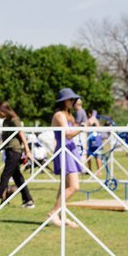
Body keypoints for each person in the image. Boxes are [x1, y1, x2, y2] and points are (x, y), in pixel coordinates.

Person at [0, 101, 34, 210]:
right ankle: (28, 200)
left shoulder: (14, 120)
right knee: (18, 177)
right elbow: (6, 139)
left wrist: (27, 150)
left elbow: (21, 133)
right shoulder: (5, 121)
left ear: (3, 111)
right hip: (9, 150)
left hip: (15, 151)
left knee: (5, 176)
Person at [47, 88, 85, 228]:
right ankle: (53, 213)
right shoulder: (59, 115)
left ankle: (61, 216)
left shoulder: (68, 115)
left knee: (64, 186)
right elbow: (67, 134)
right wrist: (83, 127)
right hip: (64, 150)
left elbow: (73, 129)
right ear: (63, 101)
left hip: (71, 149)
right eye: (70, 100)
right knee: (74, 187)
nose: (72, 102)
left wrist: (85, 123)